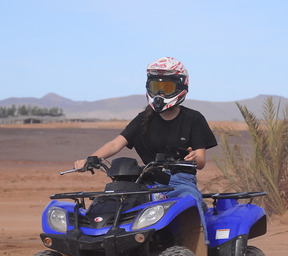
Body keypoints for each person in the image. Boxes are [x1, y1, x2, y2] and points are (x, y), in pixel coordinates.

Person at [74, 56, 217, 242]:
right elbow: (116, 143)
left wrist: (193, 158)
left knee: (191, 200)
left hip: (180, 182)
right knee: (114, 204)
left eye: (166, 88)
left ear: (181, 87)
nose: (159, 93)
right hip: (145, 181)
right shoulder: (144, 119)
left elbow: (201, 160)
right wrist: (90, 158)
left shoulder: (193, 119)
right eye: (155, 87)